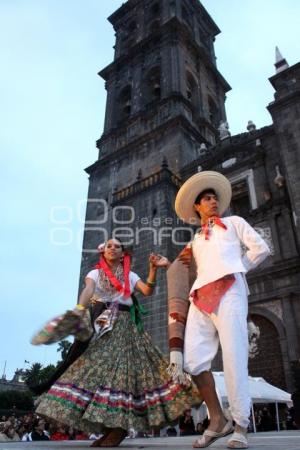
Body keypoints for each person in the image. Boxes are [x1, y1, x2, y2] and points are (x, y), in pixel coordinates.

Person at [35, 238, 200, 447]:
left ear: (123, 254)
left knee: (119, 373)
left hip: (125, 327)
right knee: (94, 372)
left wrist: (152, 269)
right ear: (103, 252)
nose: (113, 248)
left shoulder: (130, 275)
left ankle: (119, 428)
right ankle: (109, 428)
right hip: (103, 328)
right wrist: (79, 307)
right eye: (109, 246)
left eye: (117, 246)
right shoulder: (95, 273)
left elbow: (147, 290)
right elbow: (88, 289)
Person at [167, 171, 270, 448]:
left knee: (234, 357)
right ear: (197, 207)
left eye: (215, 198)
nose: (213, 202)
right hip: (201, 297)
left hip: (230, 291)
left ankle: (241, 425)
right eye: (207, 199)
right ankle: (216, 419)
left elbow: (260, 249)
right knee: (193, 361)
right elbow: (184, 270)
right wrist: (167, 266)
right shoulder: (196, 240)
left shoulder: (234, 222)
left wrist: (236, 270)